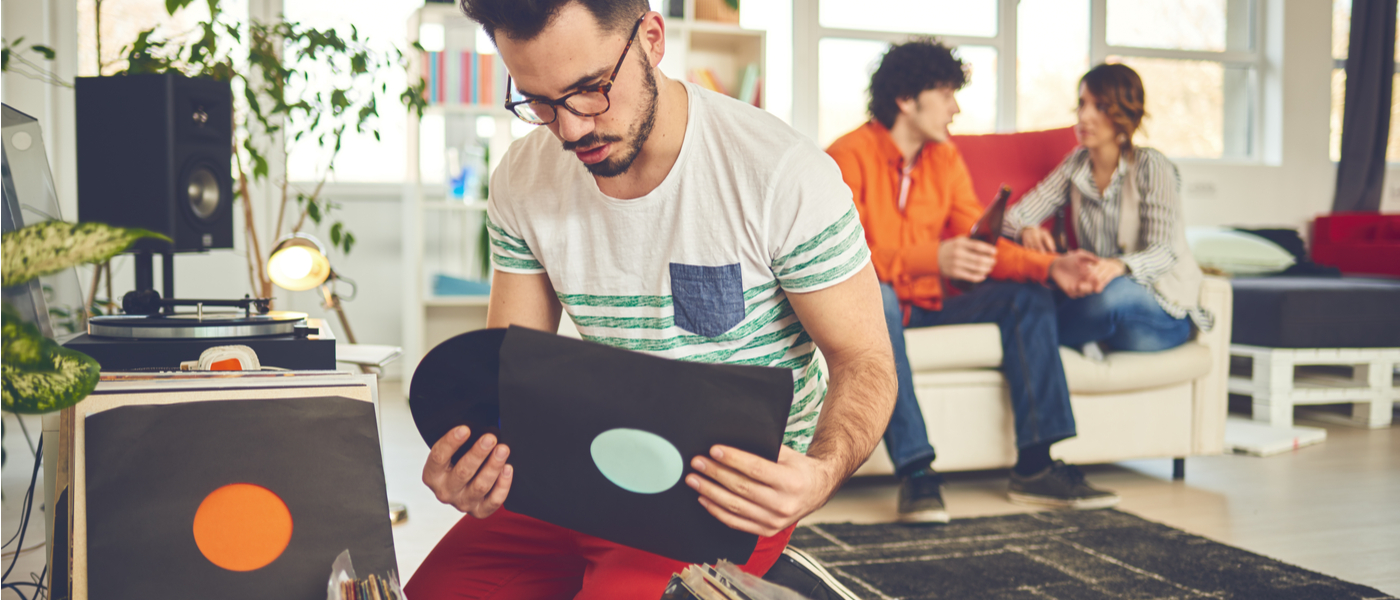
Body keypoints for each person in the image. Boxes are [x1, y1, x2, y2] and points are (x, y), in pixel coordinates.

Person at [406, 1, 896, 598]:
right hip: (575, 469)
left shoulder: (781, 174)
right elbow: (512, 378)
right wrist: (477, 468)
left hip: (726, 490)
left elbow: (866, 359)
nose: (571, 129)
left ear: (652, 38)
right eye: (537, 101)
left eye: (589, 90)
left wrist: (819, 475)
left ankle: (767, 580)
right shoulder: (521, 178)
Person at [825, 38, 1119, 524]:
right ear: (906, 100)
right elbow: (843, 258)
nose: (955, 109)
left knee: (1025, 296)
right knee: (879, 298)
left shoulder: (945, 158)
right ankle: (917, 472)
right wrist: (933, 257)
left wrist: (1049, 267)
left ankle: (1035, 466)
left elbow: (979, 243)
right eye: (944, 94)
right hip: (879, 304)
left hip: (933, 301)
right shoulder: (845, 156)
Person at [1004, 63, 1213, 354]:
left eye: (1099, 106)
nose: (1084, 116)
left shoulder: (1151, 166)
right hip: (1097, 294)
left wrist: (1118, 266)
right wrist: (1026, 229)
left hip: (1160, 310)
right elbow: (1011, 218)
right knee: (1031, 290)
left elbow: (1164, 252)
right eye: (1081, 104)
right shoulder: (1075, 165)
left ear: (1124, 114)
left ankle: (1033, 337)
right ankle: (1078, 334)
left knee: (1110, 295)